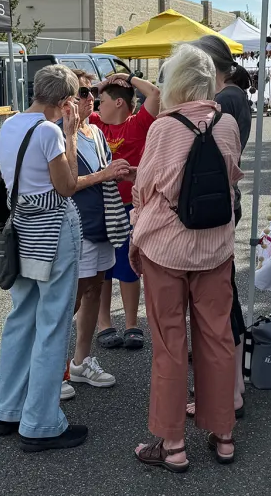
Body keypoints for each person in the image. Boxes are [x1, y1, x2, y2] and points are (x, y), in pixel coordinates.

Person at [130, 45, 243, 472]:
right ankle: (224, 434)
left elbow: (145, 188)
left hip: (165, 248)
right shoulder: (227, 123)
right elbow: (232, 178)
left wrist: (138, 231)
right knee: (217, 338)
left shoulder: (163, 128)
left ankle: (172, 445)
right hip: (215, 247)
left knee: (170, 343)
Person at [0, 64, 87, 452]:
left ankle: (7, 409)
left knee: (21, 318)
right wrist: (72, 136)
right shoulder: (50, 132)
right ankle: (41, 422)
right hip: (52, 229)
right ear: (65, 102)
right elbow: (66, 186)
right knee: (52, 323)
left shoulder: (11, 125)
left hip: (22, 226)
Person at [185, 35, 251, 424]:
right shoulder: (236, 97)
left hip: (215, 202)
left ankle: (229, 390)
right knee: (225, 291)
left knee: (220, 297)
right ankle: (234, 386)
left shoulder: (223, 102)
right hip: (227, 199)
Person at [64, 70, 133, 391]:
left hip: (103, 224)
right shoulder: (59, 134)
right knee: (71, 299)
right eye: (82, 93)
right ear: (66, 99)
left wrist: (118, 173)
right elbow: (63, 185)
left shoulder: (94, 132)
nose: (90, 97)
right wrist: (104, 175)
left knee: (94, 291)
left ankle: (80, 361)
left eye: (92, 92)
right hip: (78, 227)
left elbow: (100, 177)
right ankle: (54, 369)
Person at [90, 72, 161, 351]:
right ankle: (104, 323)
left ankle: (132, 323)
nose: (97, 106)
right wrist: (99, 85)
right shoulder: (95, 123)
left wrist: (127, 77)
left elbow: (154, 94)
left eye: (102, 101)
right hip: (102, 207)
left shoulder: (138, 124)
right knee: (103, 268)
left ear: (119, 103)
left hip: (131, 206)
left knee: (129, 266)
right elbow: (75, 103)